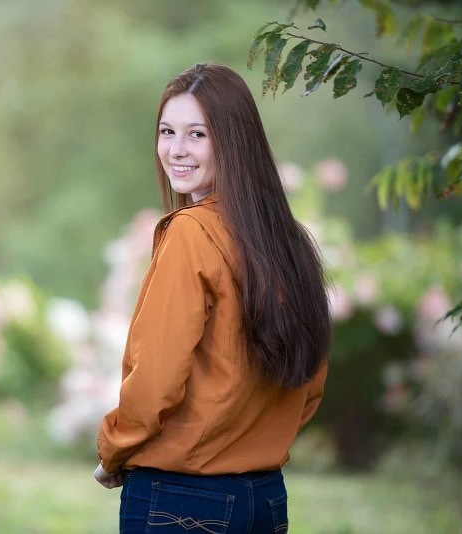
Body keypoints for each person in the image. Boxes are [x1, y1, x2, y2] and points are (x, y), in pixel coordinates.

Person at [93, 62, 331, 534]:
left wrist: (113, 449)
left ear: (233, 141)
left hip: (179, 499)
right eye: (167, 131)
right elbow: (310, 383)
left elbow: (156, 377)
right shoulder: (290, 241)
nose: (176, 150)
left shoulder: (191, 233)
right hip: (265, 501)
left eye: (197, 134)